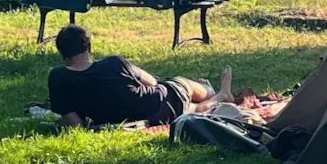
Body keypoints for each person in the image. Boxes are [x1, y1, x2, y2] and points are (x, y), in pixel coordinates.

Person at [47, 24, 235, 127]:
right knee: (179, 83)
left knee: (191, 109)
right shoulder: (113, 63)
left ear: (62, 52)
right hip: (156, 100)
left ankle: (219, 95)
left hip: (145, 116)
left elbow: (75, 124)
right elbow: (153, 81)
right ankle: (213, 91)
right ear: (88, 47)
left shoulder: (58, 78)